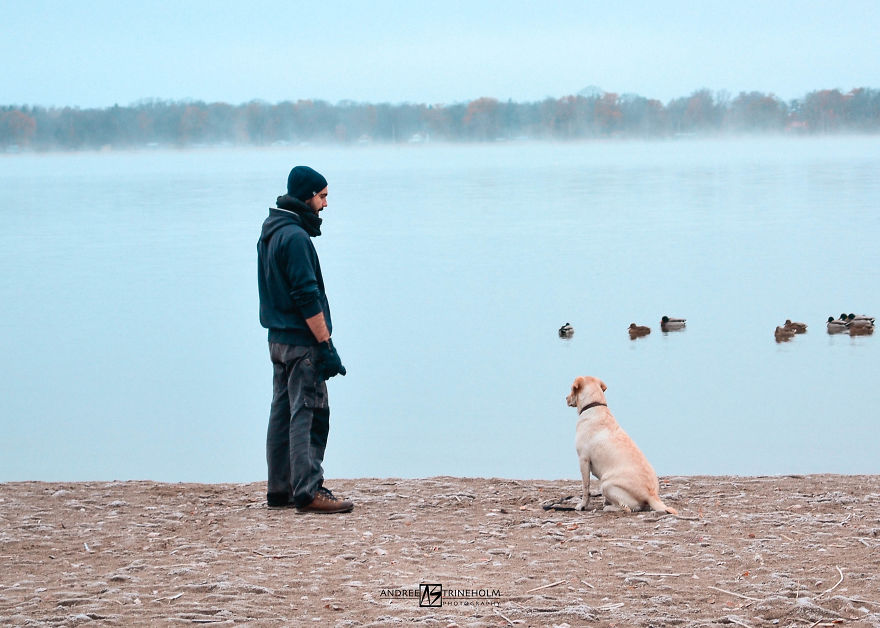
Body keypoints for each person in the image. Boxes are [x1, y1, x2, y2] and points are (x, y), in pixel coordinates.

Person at [257, 165, 353, 514]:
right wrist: (325, 345)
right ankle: (308, 490)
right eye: (322, 196)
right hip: (301, 342)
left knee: (282, 412)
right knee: (309, 413)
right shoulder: (295, 238)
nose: (325, 204)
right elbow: (306, 296)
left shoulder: (271, 231)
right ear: (306, 196)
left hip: (277, 340)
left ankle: (279, 489)